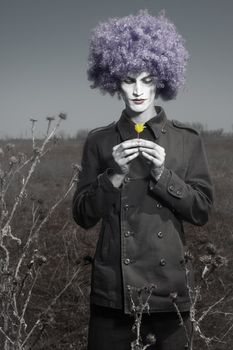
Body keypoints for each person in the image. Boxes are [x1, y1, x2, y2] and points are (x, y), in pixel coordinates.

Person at [72, 10, 213, 350]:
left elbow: (202, 212)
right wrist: (114, 175)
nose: (137, 91)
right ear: (113, 81)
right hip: (112, 293)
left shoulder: (187, 140)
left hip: (169, 292)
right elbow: (83, 215)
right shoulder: (99, 141)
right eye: (128, 79)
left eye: (147, 80)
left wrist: (164, 176)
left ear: (163, 79)